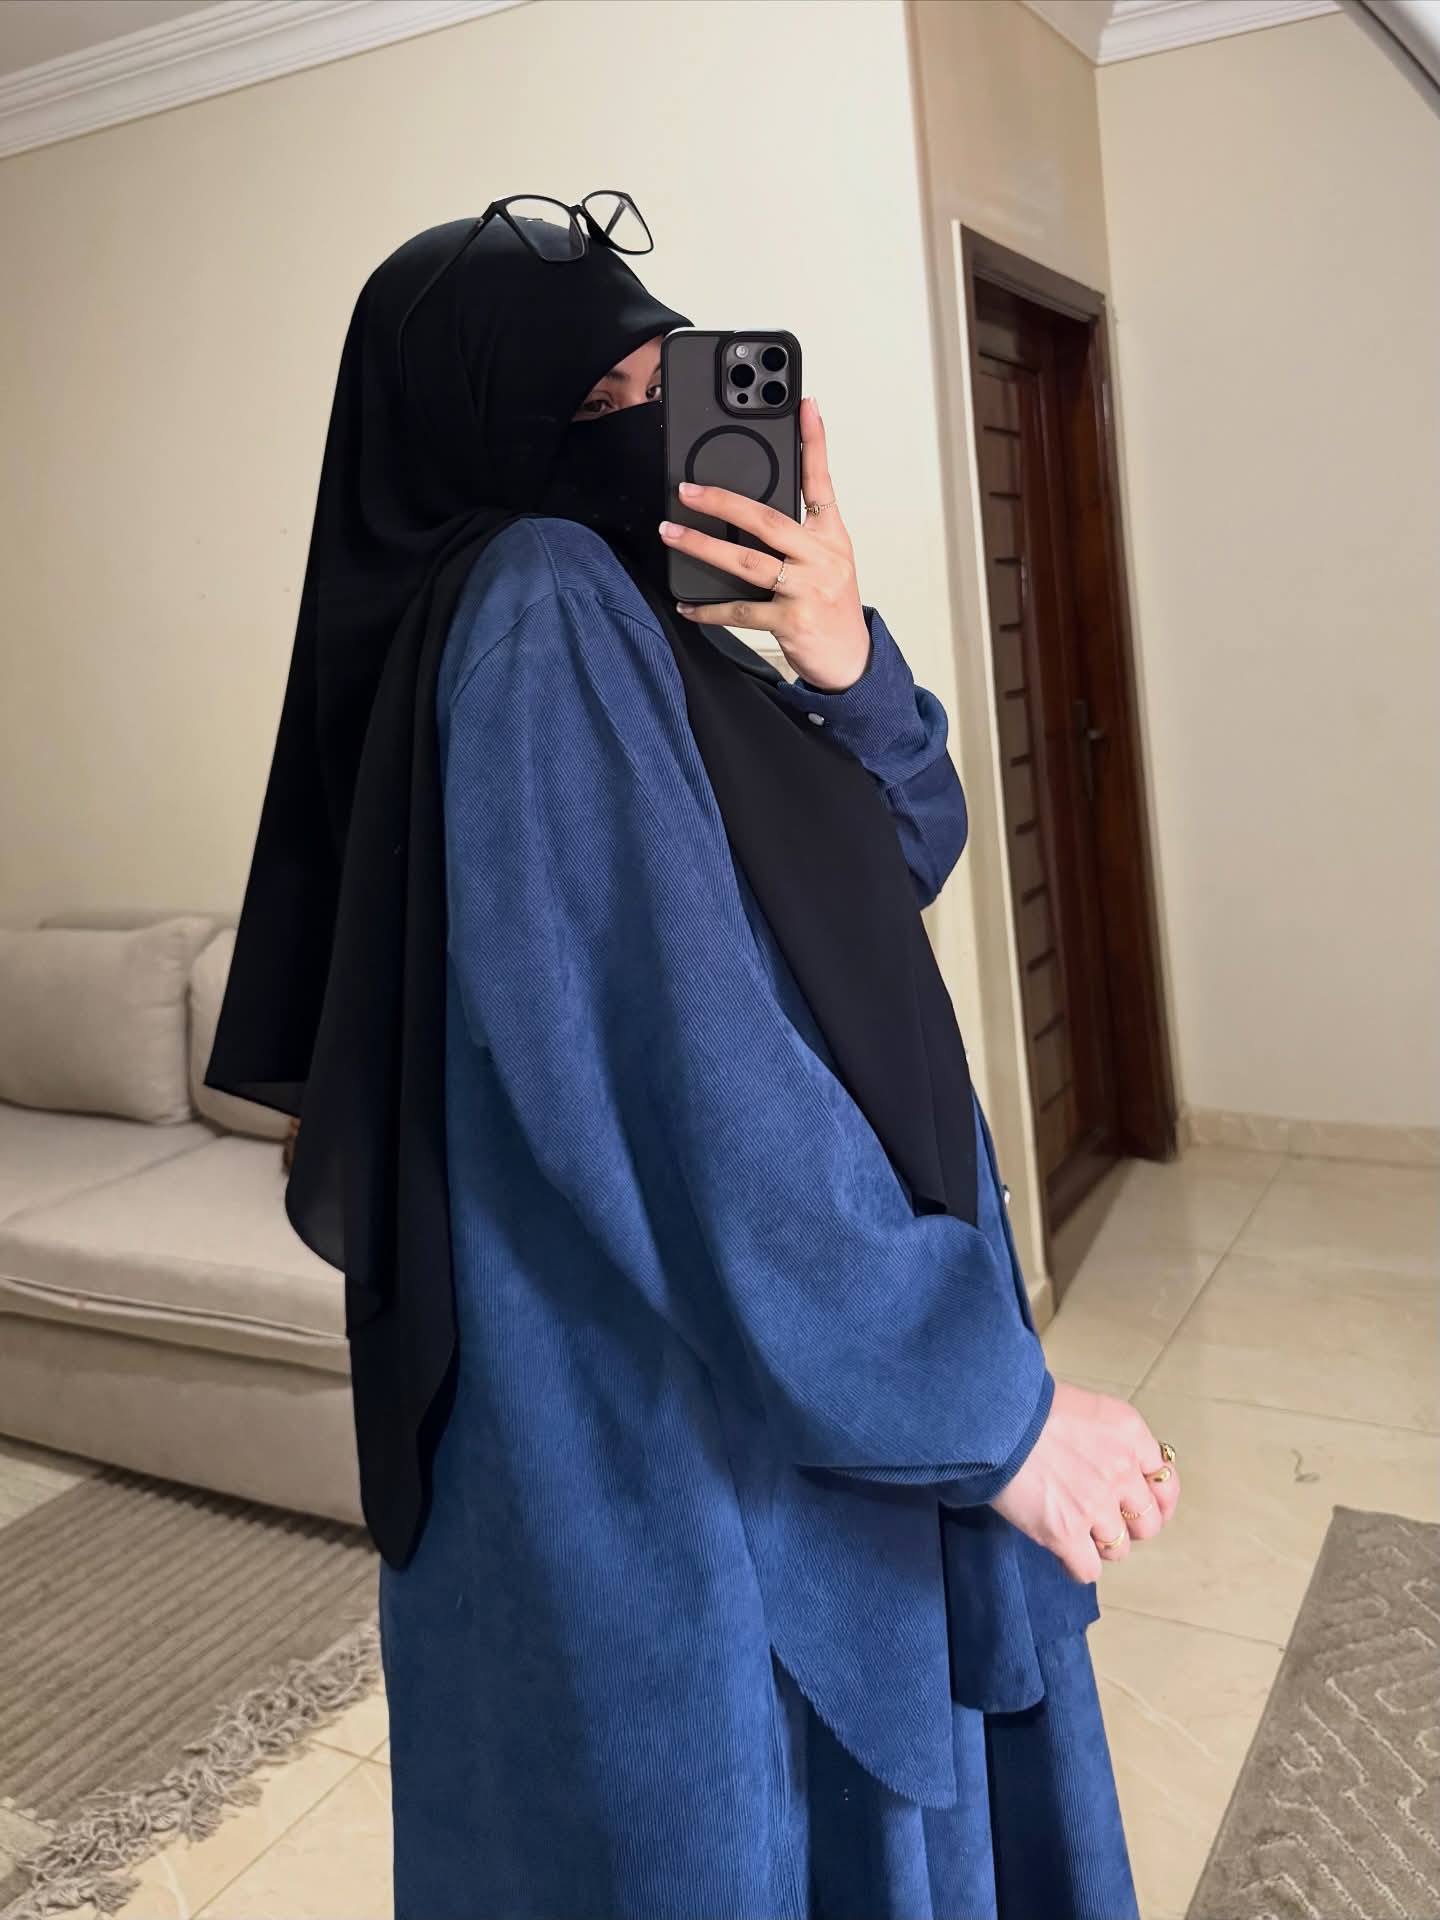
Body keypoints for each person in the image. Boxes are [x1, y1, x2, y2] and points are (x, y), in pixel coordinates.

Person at [207, 193, 1180, 1919]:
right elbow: (695, 1100)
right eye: (606, 392)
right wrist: (991, 1415)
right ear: (483, 432)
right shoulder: (543, 611)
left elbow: (887, 861)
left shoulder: (641, 634)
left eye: (668, 373)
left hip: (771, 1397)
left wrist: (839, 652)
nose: (654, 420)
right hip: (713, 1449)